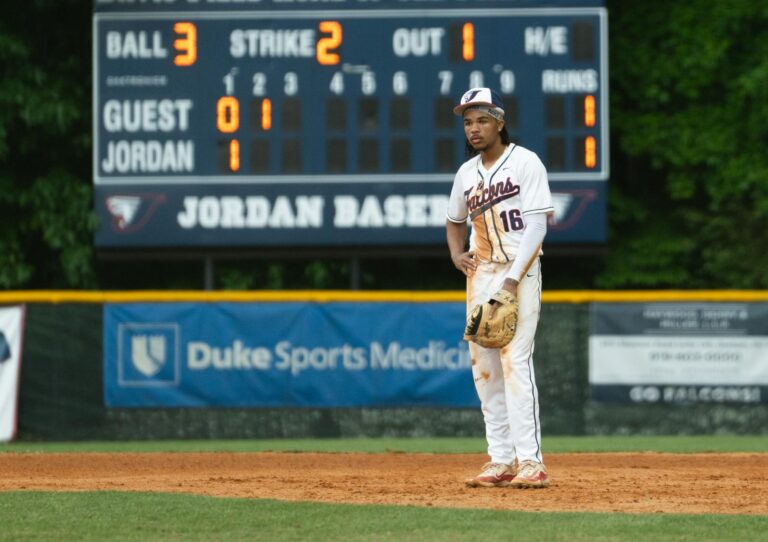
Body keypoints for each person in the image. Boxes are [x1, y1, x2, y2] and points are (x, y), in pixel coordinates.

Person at [446, 87, 553, 489]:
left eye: (482, 120)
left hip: (518, 270)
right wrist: (458, 255)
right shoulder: (466, 173)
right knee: (484, 369)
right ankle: (501, 459)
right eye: (468, 122)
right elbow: (454, 218)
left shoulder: (525, 162)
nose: (474, 128)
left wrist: (511, 281)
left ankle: (531, 461)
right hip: (481, 274)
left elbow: (537, 226)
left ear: (500, 122)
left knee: (514, 362)